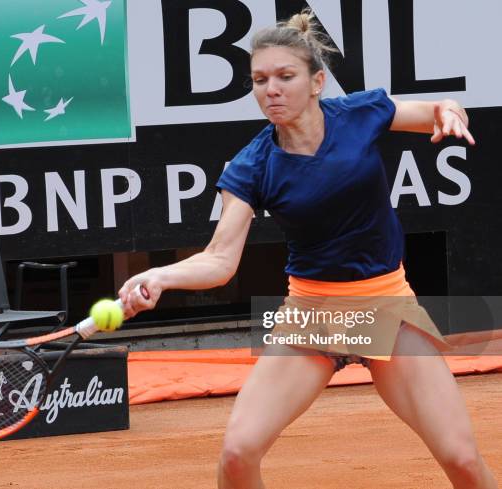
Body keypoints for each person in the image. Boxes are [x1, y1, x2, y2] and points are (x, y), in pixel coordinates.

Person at [119, 9, 498, 489]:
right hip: (311, 313)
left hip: (385, 305)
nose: (270, 89)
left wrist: (449, 111)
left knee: (462, 459)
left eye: (284, 76)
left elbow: (437, 110)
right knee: (238, 452)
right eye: (259, 80)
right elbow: (219, 259)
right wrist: (160, 277)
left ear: (317, 81)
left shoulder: (359, 114)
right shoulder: (251, 165)